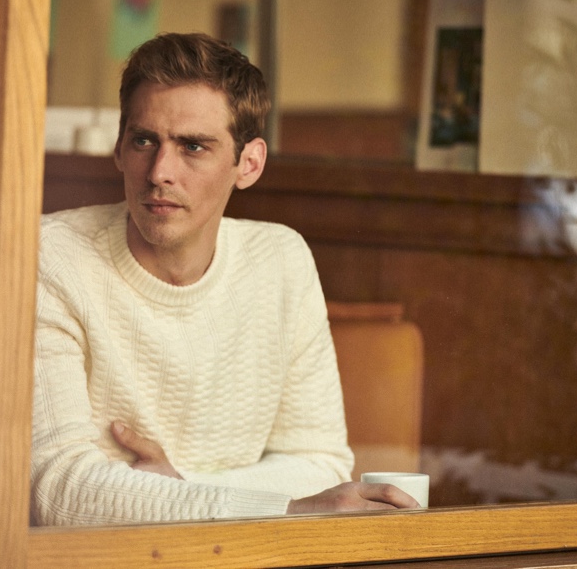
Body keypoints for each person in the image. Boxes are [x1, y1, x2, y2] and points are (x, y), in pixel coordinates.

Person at [30, 32, 417, 526]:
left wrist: (184, 490)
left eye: (193, 146)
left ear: (248, 164)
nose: (159, 172)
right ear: (119, 149)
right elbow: (59, 491)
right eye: (144, 140)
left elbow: (320, 463)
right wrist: (270, 504)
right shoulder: (53, 257)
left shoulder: (281, 258)